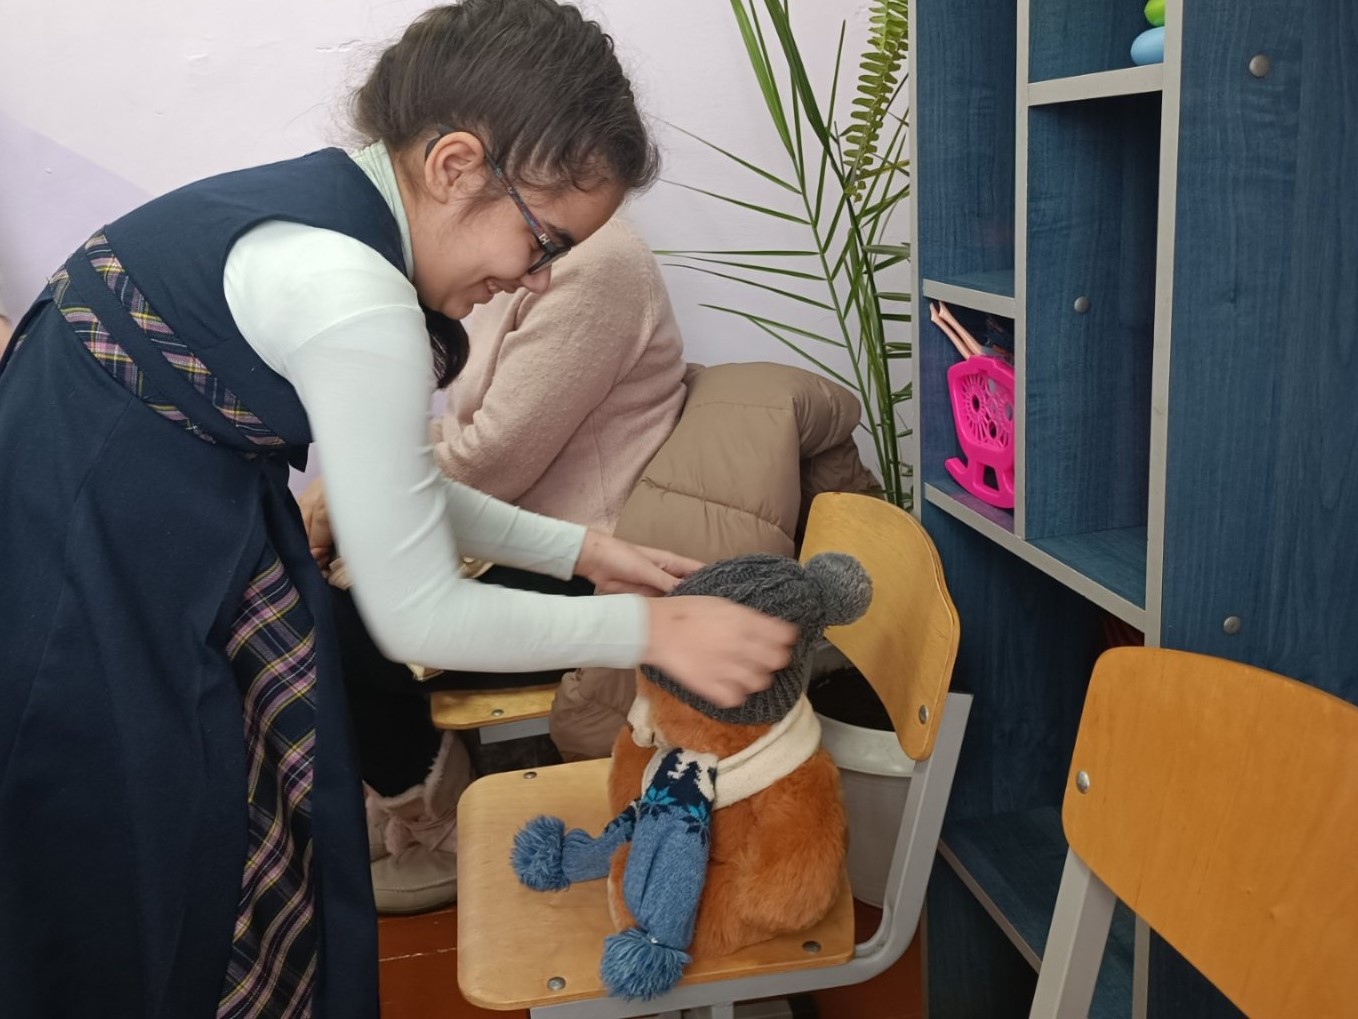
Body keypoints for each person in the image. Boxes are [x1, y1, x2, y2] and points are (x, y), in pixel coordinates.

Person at [0, 2, 795, 1016]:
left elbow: (407, 495)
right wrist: (658, 629)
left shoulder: (309, 215)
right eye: (541, 241)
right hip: (103, 592)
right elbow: (416, 612)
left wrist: (583, 550)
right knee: (147, 902)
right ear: (456, 165)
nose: (532, 278)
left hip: (88, 545)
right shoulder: (356, 293)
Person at [298, 216, 688, 913]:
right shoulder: (527, 251)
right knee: (317, 584)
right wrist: (346, 488)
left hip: (587, 551)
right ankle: (406, 791)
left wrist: (346, 499)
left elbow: (490, 461)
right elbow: (468, 433)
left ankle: (439, 826)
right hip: (538, 524)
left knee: (334, 621)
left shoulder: (591, 263)